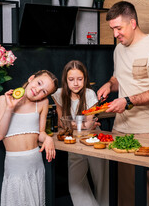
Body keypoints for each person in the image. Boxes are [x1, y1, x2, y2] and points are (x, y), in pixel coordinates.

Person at [97, 1, 149, 206]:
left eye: (118, 28)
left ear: (132, 23)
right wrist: (109, 84)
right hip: (120, 129)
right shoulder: (119, 50)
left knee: (146, 191)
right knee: (123, 191)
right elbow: (118, 78)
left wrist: (128, 101)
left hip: (148, 131)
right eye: (112, 29)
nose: (115, 34)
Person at [0, 70, 59, 206]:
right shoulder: (3, 100)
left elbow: (39, 132)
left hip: (35, 165)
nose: (38, 91)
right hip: (15, 167)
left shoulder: (42, 103)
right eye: (39, 83)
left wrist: (47, 138)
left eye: (44, 91)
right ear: (31, 78)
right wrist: (9, 108)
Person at [52, 60, 109, 206]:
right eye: (71, 80)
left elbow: (88, 125)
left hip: (94, 141)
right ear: (65, 80)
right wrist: (81, 124)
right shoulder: (58, 94)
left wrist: (71, 123)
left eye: (80, 79)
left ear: (85, 79)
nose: (76, 83)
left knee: (102, 183)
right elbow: (60, 123)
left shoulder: (90, 94)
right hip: (73, 143)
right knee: (75, 186)